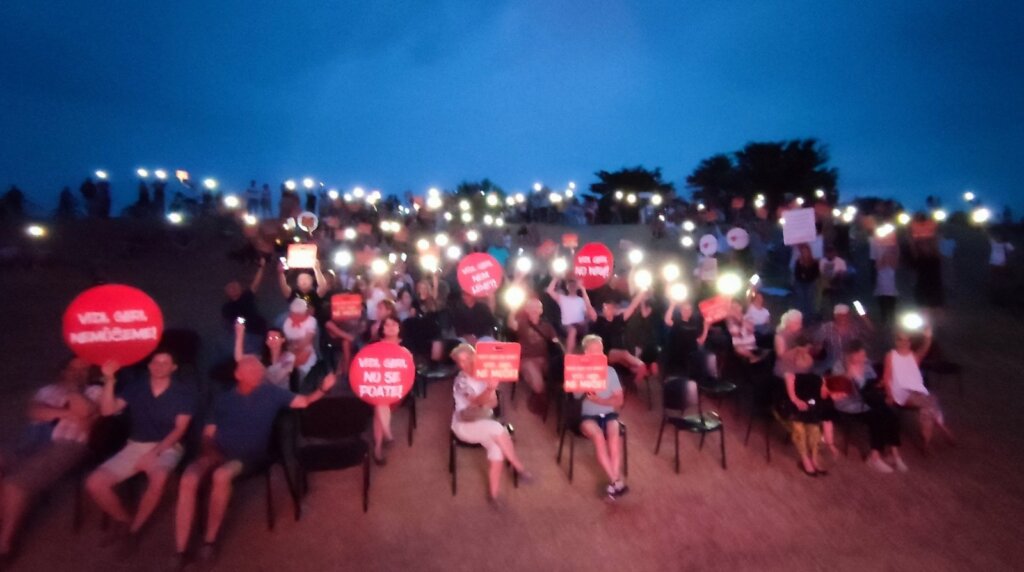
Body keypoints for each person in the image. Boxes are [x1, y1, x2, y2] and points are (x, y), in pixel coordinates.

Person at [172, 356, 336, 566]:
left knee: (221, 476)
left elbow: (303, 402)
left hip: (248, 456)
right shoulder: (223, 398)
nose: (258, 374)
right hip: (216, 451)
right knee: (189, 478)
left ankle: (209, 541)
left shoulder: (272, 393)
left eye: (260, 371)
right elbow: (208, 434)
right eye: (252, 371)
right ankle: (181, 549)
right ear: (239, 375)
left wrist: (323, 388)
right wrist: (210, 455)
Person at [85, 352, 196, 549]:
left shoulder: (183, 392)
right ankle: (124, 520)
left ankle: (135, 530)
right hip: (136, 444)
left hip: (168, 445)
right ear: (149, 365)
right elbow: (107, 411)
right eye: (155, 361)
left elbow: (180, 429)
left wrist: (155, 453)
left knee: (159, 476)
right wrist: (110, 379)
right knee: (95, 482)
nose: (159, 365)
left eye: (165, 362)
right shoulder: (137, 387)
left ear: (174, 368)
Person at [0, 359, 101, 560]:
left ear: (91, 373)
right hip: (32, 441)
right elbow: (35, 412)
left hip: (67, 444)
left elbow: (86, 413)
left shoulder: (95, 392)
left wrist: (73, 392)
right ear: (63, 370)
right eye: (73, 369)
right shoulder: (48, 390)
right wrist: (67, 414)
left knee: (15, 484)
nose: (77, 373)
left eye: (83, 370)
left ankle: (5, 544)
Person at [449, 344, 532, 506]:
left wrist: (487, 394)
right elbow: (477, 402)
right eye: (461, 361)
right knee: (497, 429)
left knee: (497, 447)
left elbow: (493, 404)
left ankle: (493, 495)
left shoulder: (485, 374)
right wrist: (488, 391)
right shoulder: (461, 380)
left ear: (475, 357)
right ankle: (519, 467)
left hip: (484, 421)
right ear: (458, 364)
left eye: (468, 358)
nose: (465, 363)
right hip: (464, 425)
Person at [831, 341, 907, 473]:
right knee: (878, 415)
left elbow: (872, 384)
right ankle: (874, 458)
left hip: (868, 400)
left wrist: (880, 384)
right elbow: (837, 390)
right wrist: (849, 373)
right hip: (850, 404)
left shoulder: (866, 364)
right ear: (850, 355)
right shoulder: (839, 366)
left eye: (864, 355)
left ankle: (895, 455)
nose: (863, 358)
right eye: (860, 355)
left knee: (891, 415)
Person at [881, 325, 955, 450]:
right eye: (900, 339)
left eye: (906, 340)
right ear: (896, 341)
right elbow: (887, 377)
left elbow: (925, 347)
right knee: (930, 401)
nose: (903, 343)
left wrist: (927, 335)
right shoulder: (891, 356)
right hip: (901, 392)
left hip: (916, 391)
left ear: (910, 342)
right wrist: (889, 394)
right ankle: (940, 427)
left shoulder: (914, 357)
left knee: (928, 404)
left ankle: (927, 440)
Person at [575, 335, 628, 500]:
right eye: (595, 351)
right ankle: (615, 479)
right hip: (587, 416)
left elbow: (619, 399)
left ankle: (615, 482)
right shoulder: (579, 371)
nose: (599, 354)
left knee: (614, 437)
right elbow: (575, 394)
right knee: (598, 436)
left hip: (609, 413)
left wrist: (600, 400)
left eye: (601, 350)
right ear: (586, 353)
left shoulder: (610, 371)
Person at [775, 346, 831, 476]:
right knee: (799, 429)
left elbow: (815, 396)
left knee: (814, 428)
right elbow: (793, 398)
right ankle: (805, 459)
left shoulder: (812, 376)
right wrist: (799, 401)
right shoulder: (789, 374)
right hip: (785, 406)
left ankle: (814, 457)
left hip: (804, 407)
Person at [507, 299, 559, 417]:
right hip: (527, 359)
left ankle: (543, 398)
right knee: (538, 385)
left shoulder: (547, 326)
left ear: (541, 310)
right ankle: (540, 396)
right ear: (526, 310)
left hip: (544, 359)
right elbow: (511, 324)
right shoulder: (521, 322)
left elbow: (556, 342)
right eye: (532, 307)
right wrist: (512, 311)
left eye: (537, 307)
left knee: (558, 372)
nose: (535, 310)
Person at [590, 290, 649, 386]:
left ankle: (632, 383)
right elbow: (589, 308)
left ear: (613, 309)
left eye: (608, 308)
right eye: (604, 307)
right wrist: (583, 289)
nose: (606, 309)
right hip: (606, 352)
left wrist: (641, 293)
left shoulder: (618, 320)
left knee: (632, 367)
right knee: (625, 354)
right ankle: (641, 364)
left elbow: (632, 306)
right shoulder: (599, 320)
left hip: (619, 351)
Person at [371, 316, 404, 464]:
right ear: (382, 329)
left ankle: (379, 446)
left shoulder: (406, 345)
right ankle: (385, 437)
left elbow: (410, 370)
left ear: (399, 327)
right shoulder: (374, 346)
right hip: (377, 385)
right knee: (380, 399)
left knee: (380, 402)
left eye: (394, 324)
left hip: (399, 387)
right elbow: (367, 367)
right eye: (386, 325)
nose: (390, 327)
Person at [814, 304, 872, 374]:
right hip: (831, 362)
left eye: (846, 315)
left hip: (853, 362)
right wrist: (817, 349)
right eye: (841, 315)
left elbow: (871, 332)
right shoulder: (825, 328)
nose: (844, 318)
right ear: (835, 316)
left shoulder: (855, 326)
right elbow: (816, 345)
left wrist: (863, 316)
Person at [545, 277, 591, 354]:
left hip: (580, 325)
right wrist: (556, 278)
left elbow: (589, 307)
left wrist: (583, 288)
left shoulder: (581, 300)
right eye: (570, 285)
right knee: (572, 330)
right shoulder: (562, 298)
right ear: (567, 287)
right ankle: (568, 355)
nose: (572, 287)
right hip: (567, 326)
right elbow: (549, 290)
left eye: (574, 285)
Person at [791, 244, 820, 321]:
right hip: (800, 282)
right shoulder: (798, 262)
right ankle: (801, 316)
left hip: (810, 282)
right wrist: (801, 266)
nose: (804, 253)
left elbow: (816, 274)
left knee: (809, 296)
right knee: (800, 296)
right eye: (803, 252)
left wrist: (806, 273)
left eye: (806, 251)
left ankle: (809, 316)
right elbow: (797, 274)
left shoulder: (814, 262)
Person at [874, 248, 899, 328]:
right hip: (882, 291)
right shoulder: (880, 267)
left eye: (890, 257)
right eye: (887, 257)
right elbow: (877, 264)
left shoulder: (892, 266)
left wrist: (891, 253)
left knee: (891, 310)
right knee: (883, 310)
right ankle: (883, 324)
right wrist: (883, 254)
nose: (888, 258)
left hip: (891, 292)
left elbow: (896, 260)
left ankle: (891, 324)